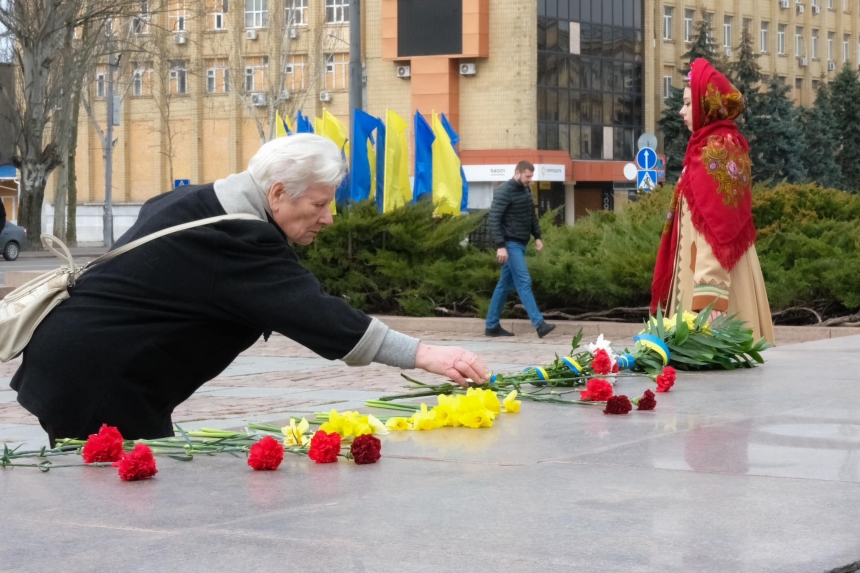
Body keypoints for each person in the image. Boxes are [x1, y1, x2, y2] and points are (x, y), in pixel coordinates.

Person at [11, 134, 490, 443]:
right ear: (277, 193)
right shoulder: (236, 237)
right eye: (320, 204)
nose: (328, 218)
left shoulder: (194, 201)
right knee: (123, 513)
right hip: (101, 382)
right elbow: (314, 312)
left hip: (78, 364)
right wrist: (428, 355)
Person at [651, 58, 775, 343]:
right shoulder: (716, 144)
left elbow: (717, 228)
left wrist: (709, 296)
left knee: (715, 357)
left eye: (687, 103)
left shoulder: (715, 151)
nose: (681, 111)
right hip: (711, 270)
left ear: (707, 104)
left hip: (711, 278)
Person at [484, 160, 555, 338]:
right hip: (510, 244)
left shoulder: (525, 190)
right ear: (517, 173)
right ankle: (540, 325)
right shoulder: (503, 191)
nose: (530, 180)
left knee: (503, 286)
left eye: (531, 176)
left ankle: (492, 326)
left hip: (521, 243)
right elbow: (494, 219)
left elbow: (531, 215)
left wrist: (537, 236)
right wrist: (500, 246)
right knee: (524, 281)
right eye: (527, 176)